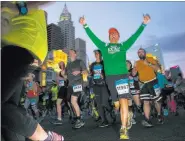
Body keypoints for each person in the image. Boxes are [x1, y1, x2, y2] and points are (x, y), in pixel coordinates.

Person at [79, 14, 150, 139]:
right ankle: (125, 114)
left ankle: (123, 129)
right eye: (111, 33)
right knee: (116, 103)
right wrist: (85, 25)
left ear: (118, 36)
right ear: (109, 36)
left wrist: (143, 24)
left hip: (122, 76)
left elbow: (134, 37)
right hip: (110, 78)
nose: (113, 35)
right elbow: (93, 37)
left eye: (115, 33)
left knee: (123, 100)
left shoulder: (122, 46)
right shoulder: (104, 46)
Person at [1, 1, 64, 140]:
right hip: (12, 45)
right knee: (8, 107)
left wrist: (19, 8)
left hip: (24, 40)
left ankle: (46, 137)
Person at [133, 48, 164, 128]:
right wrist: (134, 69)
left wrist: (149, 64)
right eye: (138, 52)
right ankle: (147, 119)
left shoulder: (150, 59)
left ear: (145, 53)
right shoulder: (137, 63)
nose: (140, 53)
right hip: (143, 84)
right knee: (146, 102)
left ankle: (159, 114)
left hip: (153, 82)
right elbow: (133, 74)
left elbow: (157, 69)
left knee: (157, 101)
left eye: (141, 52)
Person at [90, 50, 116, 127]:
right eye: (95, 54)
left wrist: (103, 76)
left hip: (104, 85)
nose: (96, 55)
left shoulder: (105, 63)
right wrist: (90, 74)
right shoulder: (92, 65)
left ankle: (111, 111)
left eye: (97, 53)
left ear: (101, 54)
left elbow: (110, 72)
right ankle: (104, 120)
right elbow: (91, 74)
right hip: (96, 85)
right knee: (99, 104)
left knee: (105, 102)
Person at [65, 49, 87, 129]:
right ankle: (77, 116)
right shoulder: (68, 64)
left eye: (71, 52)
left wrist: (79, 72)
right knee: (70, 102)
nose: (69, 53)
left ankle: (79, 119)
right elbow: (65, 76)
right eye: (69, 52)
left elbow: (86, 71)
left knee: (73, 101)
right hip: (70, 85)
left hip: (77, 83)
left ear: (75, 54)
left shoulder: (79, 61)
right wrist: (62, 74)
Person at [126, 60, 142, 125]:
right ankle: (131, 118)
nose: (126, 65)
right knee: (129, 105)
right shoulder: (122, 72)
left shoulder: (133, 70)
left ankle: (138, 109)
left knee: (138, 104)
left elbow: (137, 77)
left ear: (130, 64)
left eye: (128, 63)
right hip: (127, 90)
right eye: (125, 64)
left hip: (135, 89)